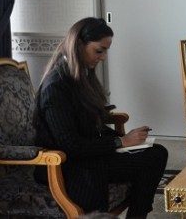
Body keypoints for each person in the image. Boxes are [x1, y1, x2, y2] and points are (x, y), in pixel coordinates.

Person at [33, 17, 168, 219]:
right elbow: (70, 145)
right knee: (152, 159)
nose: (103, 57)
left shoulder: (79, 76)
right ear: (79, 45)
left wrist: (127, 140)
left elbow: (90, 125)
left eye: (106, 51)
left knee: (156, 152)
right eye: (99, 50)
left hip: (87, 155)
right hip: (69, 164)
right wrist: (120, 142)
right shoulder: (56, 87)